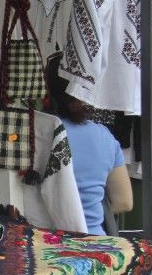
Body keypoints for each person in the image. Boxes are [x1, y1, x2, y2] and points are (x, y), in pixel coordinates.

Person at [45, 54, 133, 235]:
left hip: (47, 242)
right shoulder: (104, 135)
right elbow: (124, 202)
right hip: (95, 242)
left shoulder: (39, 132)